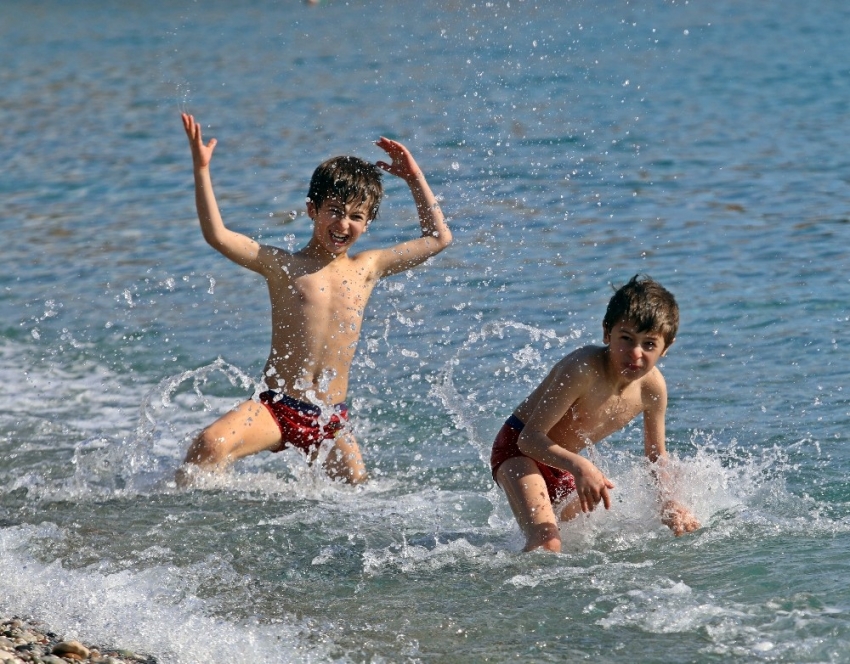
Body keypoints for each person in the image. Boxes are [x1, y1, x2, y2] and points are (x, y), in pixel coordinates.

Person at [176, 113, 452, 486]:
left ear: (368, 222)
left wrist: (414, 178)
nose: (343, 225)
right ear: (312, 210)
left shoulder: (368, 267)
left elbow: (438, 238)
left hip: (329, 418)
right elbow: (218, 235)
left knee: (360, 494)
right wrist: (202, 169)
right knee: (210, 445)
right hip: (276, 407)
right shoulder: (283, 265)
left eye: (356, 216)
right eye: (334, 212)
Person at [491, 276, 700, 551]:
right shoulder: (583, 369)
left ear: (666, 348)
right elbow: (528, 439)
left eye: (649, 344)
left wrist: (669, 501)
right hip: (519, 450)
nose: (635, 353)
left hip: (563, 465)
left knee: (594, 544)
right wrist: (581, 466)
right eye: (626, 339)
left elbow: (656, 456)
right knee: (547, 542)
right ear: (606, 333)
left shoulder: (653, 389)